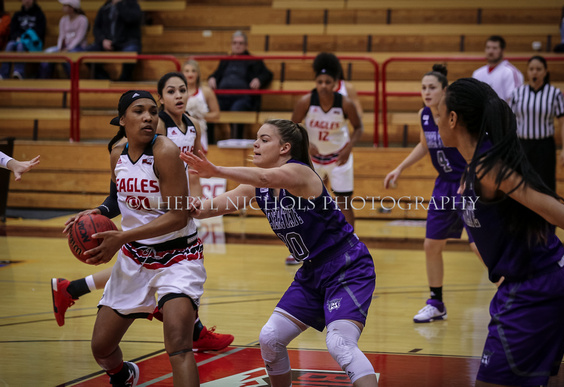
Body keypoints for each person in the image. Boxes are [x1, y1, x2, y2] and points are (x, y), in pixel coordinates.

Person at [180, 118, 378, 387]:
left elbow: (265, 176)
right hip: (311, 272)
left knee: (339, 342)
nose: (255, 143)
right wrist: (196, 206)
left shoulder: (300, 173)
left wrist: (215, 169)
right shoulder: (258, 187)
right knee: (270, 337)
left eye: (264, 139)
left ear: (285, 148)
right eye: (256, 138)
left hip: (347, 266)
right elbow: (213, 207)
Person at [51, 73, 233, 352]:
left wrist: (195, 200)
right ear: (161, 99)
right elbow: (121, 193)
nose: (179, 96)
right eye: (171, 91)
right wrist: (100, 210)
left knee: (174, 306)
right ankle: (189, 328)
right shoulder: (155, 130)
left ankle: (188, 327)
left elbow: (193, 170)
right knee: (142, 262)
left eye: (183, 90)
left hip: (174, 210)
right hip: (152, 214)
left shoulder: (191, 127)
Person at [437, 77, 564, 387]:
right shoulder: (474, 168)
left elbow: (551, 208)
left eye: (439, 112)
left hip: (538, 287)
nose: (434, 119)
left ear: (452, 118)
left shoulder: (489, 167)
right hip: (523, 285)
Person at [63, 90, 205, 386]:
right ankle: (123, 374)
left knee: (178, 344)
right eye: (139, 111)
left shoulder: (165, 151)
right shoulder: (118, 153)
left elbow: (178, 216)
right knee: (101, 347)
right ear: (123, 120)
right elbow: (118, 198)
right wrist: (97, 210)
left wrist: (122, 236)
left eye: (153, 112)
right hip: (136, 259)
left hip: (177, 258)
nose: (148, 117)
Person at [384, 64, 480, 323]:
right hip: (444, 185)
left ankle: (511, 294)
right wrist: (400, 168)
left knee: (479, 246)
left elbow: (476, 147)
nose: (426, 92)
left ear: (444, 90)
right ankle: (436, 302)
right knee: (431, 245)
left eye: (432, 88)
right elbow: (424, 145)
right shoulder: (424, 115)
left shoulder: (456, 115)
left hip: (468, 184)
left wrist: (470, 175)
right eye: (423, 88)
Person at [291, 52, 362, 229]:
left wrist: (349, 148)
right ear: (316, 83)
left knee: (344, 201)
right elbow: (291, 127)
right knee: (307, 200)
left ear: (335, 84)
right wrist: (305, 145)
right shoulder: (305, 101)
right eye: (320, 82)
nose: (323, 86)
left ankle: (351, 242)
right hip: (313, 158)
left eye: (327, 82)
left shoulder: (345, 103)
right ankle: (305, 244)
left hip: (339, 157)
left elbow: (359, 128)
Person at [510, 56, 564, 191]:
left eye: (538, 69)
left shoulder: (555, 94)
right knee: (522, 183)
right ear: (527, 71)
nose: (534, 72)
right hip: (522, 146)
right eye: (531, 69)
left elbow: (563, 123)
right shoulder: (517, 93)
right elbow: (510, 123)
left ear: (545, 71)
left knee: (546, 184)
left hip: (544, 146)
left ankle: (547, 212)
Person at [207, 30, 272, 139]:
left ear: (246, 45)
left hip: (243, 98)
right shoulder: (225, 61)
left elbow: (268, 74)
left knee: (237, 108)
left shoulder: (254, 61)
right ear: (231, 45)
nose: (237, 46)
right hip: (222, 97)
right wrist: (211, 78)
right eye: (235, 43)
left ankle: (236, 141)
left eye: (241, 43)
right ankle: (210, 142)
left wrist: (259, 79)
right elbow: (216, 74)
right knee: (209, 109)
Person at [85, 0, 142, 81]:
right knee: (86, 54)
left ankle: (124, 80)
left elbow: (130, 19)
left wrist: (119, 4)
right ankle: (104, 78)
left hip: (127, 42)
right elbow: (97, 28)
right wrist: (103, 40)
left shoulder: (132, 4)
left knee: (131, 52)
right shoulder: (105, 7)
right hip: (107, 42)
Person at [39, 0, 89, 79]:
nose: (63, 8)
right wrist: (59, 48)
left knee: (68, 57)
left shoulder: (83, 20)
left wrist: (68, 49)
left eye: (65, 5)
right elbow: (61, 36)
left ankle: (72, 81)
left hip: (78, 47)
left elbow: (79, 38)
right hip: (63, 47)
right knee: (47, 53)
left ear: (72, 7)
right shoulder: (63, 20)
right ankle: (44, 79)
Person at [0, 0, 46, 80]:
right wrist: (17, 37)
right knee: (10, 45)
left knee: (20, 45)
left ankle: (19, 73)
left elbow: (40, 31)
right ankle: (4, 74)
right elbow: (12, 30)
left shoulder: (39, 15)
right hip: (18, 39)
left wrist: (26, 37)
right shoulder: (18, 15)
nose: (27, 1)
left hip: (32, 42)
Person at [472, 35, 523, 102]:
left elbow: (514, 100)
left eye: (494, 48)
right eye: (488, 48)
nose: (490, 51)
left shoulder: (510, 71)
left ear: (502, 50)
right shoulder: (477, 73)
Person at [184, 59, 220, 151]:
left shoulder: (206, 91)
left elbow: (216, 115)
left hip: (200, 132)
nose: (190, 74)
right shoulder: (178, 92)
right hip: (181, 131)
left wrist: (200, 115)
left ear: (198, 74)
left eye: (193, 71)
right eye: (187, 71)